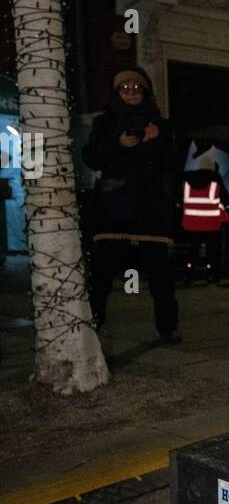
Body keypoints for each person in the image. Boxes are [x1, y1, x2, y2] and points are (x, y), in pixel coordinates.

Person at [82, 67, 180, 343]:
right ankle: (92, 323)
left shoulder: (159, 124)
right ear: (117, 92)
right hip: (114, 207)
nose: (131, 92)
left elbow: (170, 164)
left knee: (160, 273)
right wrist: (119, 144)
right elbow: (93, 158)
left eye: (137, 88)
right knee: (102, 271)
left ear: (145, 92)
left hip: (149, 208)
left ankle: (168, 326)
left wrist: (153, 143)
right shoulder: (104, 122)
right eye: (125, 88)